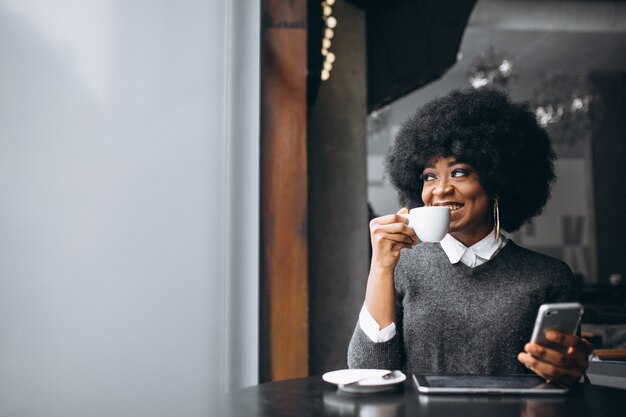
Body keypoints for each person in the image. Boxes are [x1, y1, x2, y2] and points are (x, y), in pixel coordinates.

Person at [348, 88, 592, 386]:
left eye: (459, 172)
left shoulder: (549, 278)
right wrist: (381, 267)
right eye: (429, 176)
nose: (440, 189)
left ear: (498, 181)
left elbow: (565, 386)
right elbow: (367, 373)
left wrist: (570, 373)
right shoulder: (402, 268)